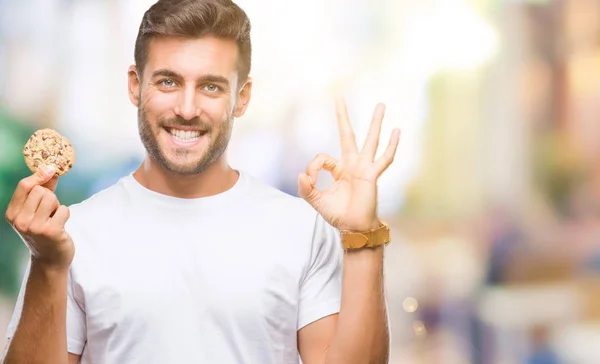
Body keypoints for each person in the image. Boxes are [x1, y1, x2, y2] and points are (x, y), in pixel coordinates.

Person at [2, 0, 400, 363]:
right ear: (134, 85)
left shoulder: (301, 229)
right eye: (168, 81)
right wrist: (48, 265)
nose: (187, 108)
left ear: (241, 98)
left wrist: (362, 236)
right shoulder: (73, 235)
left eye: (210, 86)